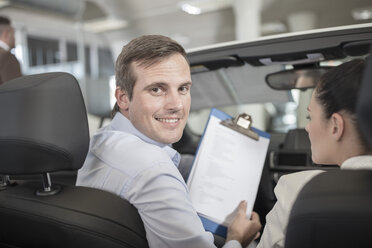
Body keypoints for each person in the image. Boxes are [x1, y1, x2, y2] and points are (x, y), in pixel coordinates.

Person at [77, 35, 261, 248]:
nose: (176, 105)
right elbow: (153, 171)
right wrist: (238, 238)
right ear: (123, 98)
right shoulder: (154, 170)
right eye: (157, 89)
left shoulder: (100, 140)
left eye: (183, 88)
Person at [257, 58, 372, 248]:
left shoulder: (297, 190)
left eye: (310, 117)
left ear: (336, 125)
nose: (308, 128)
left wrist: (235, 240)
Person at [0, 16, 21, 85]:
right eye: (13, 34)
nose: (14, 38)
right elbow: (16, 88)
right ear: (6, 34)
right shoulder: (7, 57)